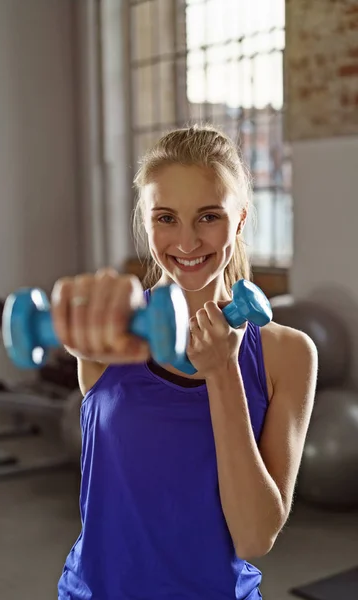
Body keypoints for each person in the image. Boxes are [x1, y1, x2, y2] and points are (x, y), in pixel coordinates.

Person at [55, 125, 318, 600]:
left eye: (209, 216)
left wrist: (222, 372)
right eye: (167, 218)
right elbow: (77, 334)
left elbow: (256, 537)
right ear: (147, 221)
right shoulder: (113, 333)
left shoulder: (288, 353)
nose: (188, 241)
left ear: (239, 220)